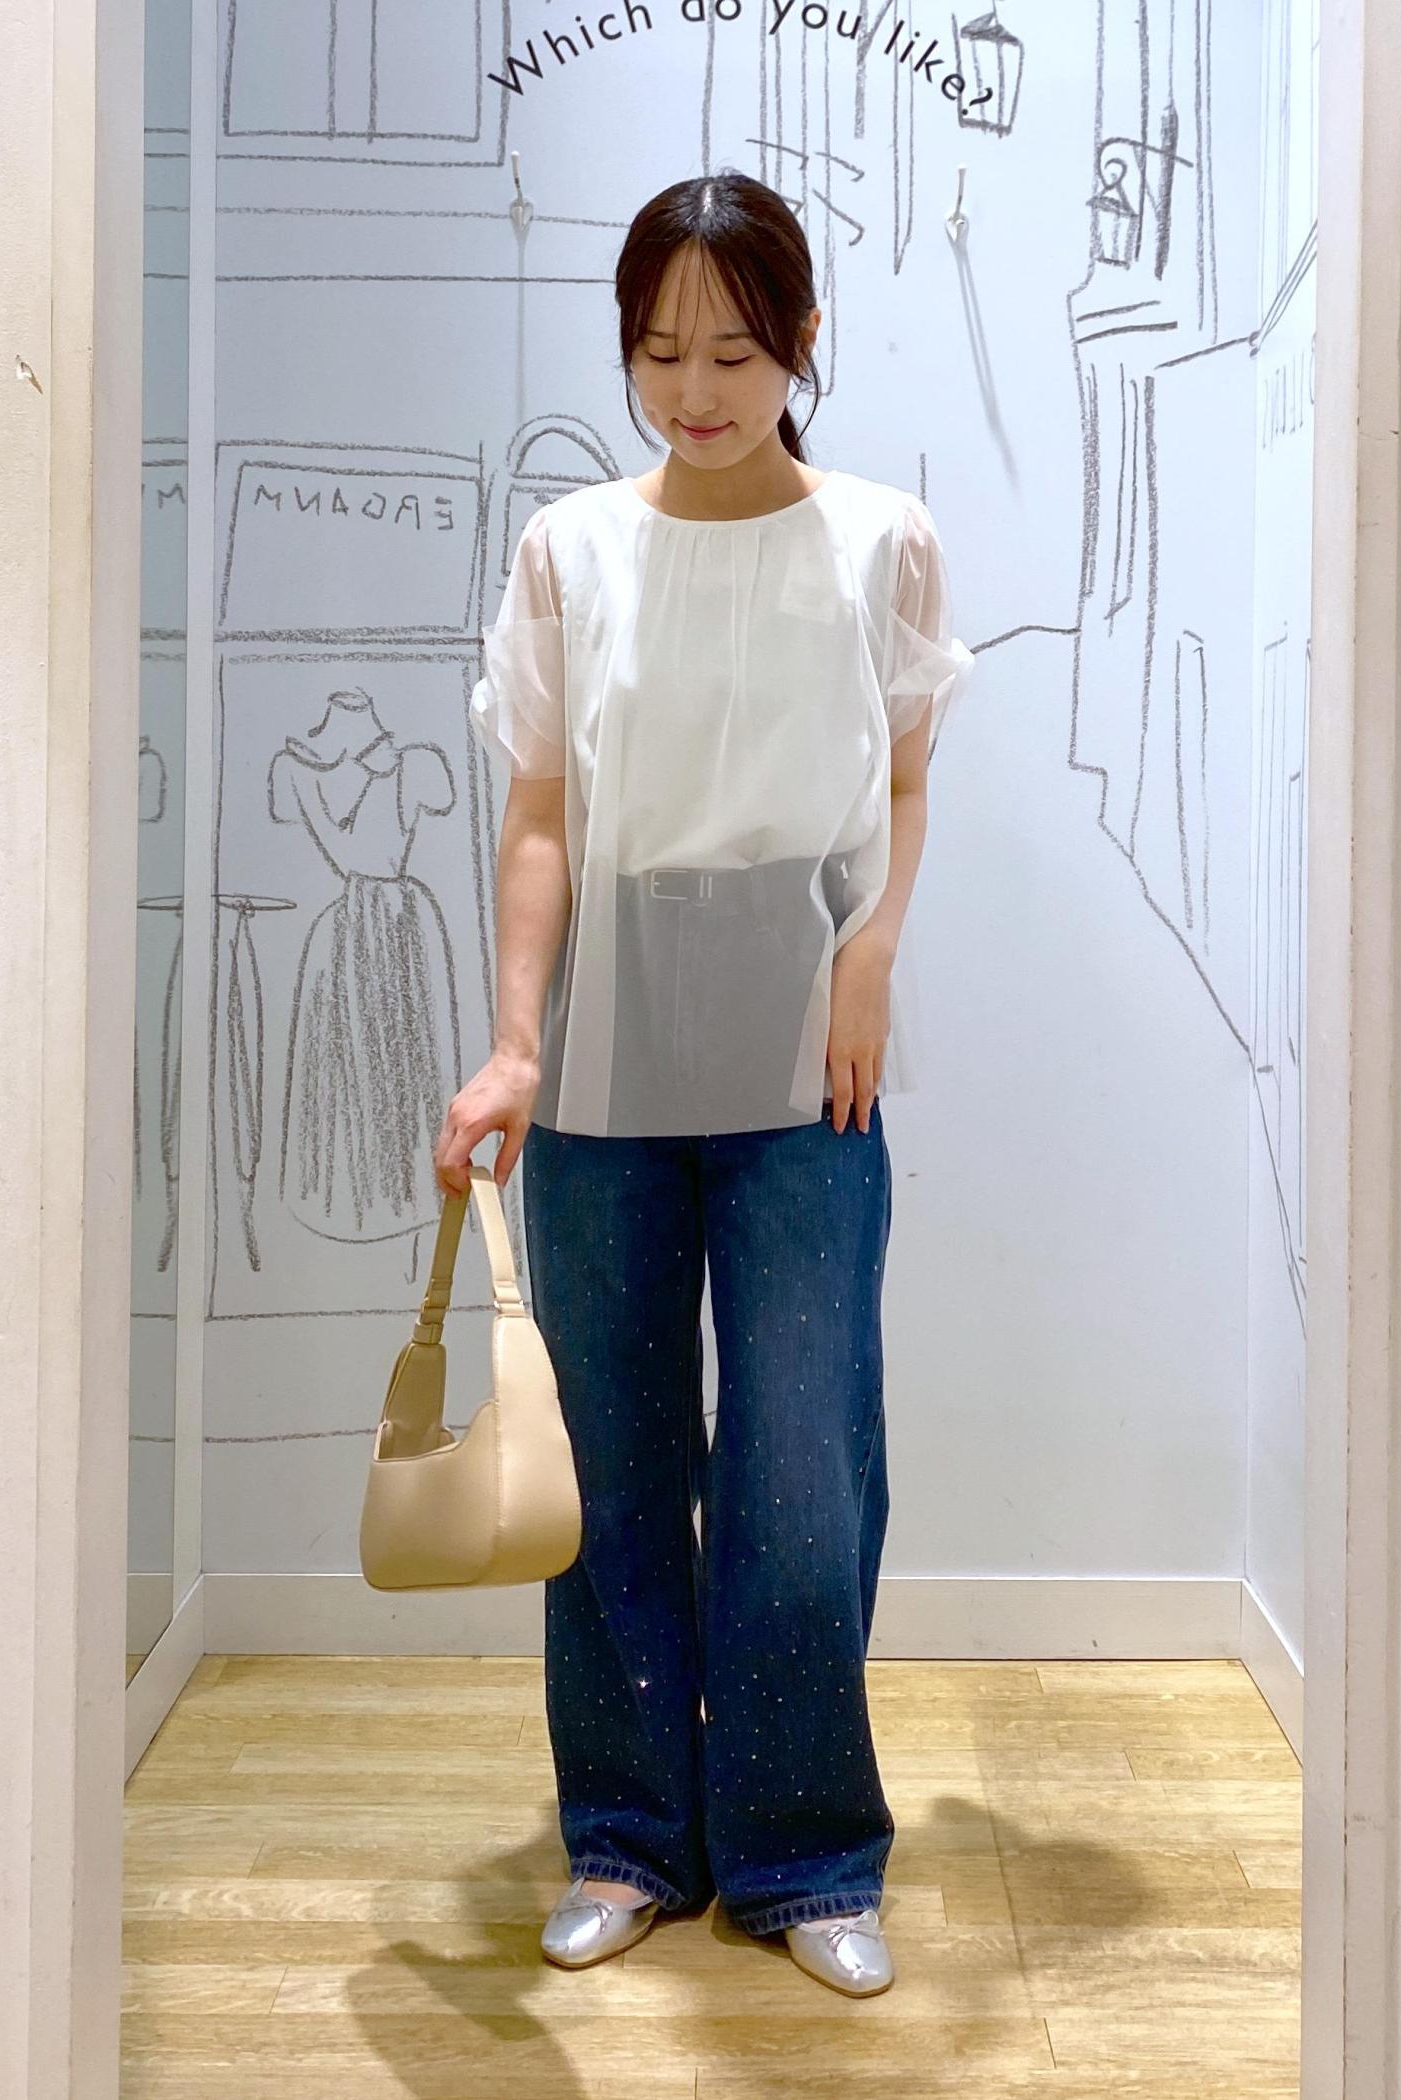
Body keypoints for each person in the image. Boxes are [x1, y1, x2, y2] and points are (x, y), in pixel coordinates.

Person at [436, 169, 971, 1998]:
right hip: (601, 1066)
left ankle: (805, 1851)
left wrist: (871, 952)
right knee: (610, 1468)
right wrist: (515, 1039)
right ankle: (628, 1837)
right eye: (659, 352)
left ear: (801, 342)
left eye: (733, 351)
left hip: (808, 1070)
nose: (694, 389)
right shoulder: (569, 549)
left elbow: (904, 780)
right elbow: (539, 815)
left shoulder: (883, 540)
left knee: (805, 1468)